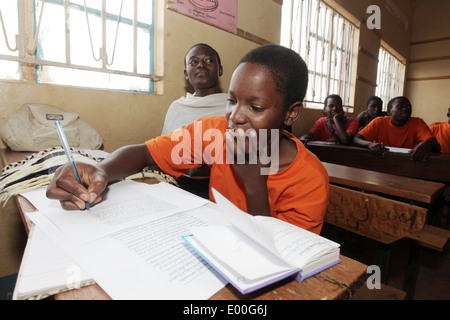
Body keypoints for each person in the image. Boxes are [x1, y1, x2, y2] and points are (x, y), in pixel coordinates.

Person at [46, 44, 330, 235]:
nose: (236, 116)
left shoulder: (309, 179)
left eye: (255, 107)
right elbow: (145, 153)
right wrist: (102, 170)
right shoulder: (215, 133)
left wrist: (255, 185)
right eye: (232, 100)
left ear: (291, 113)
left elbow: (281, 256)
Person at [161, 43, 228, 135]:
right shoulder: (177, 108)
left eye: (208, 60)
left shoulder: (234, 106)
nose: (201, 65)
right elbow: (165, 146)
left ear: (220, 70)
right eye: (194, 62)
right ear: (186, 74)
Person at [352, 96, 441, 162]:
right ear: (389, 111)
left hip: (406, 162)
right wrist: (370, 144)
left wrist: (428, 143)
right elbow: (356, 139)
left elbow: (437, 147)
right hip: (381, 160)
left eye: (408, 107)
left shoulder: (417, 123)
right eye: (400, 106)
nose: (406, 109)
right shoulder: (379, 122)